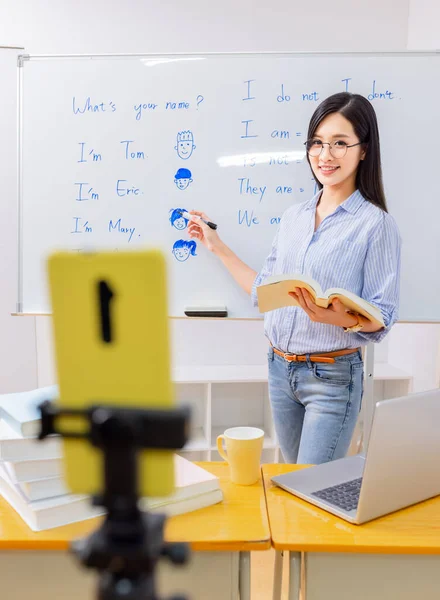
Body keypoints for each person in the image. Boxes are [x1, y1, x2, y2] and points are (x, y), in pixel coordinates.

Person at [187, 92, 401, 465]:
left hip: (332, 378)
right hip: (278, 368)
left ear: (363, 150)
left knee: (311, 492)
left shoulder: (375, 225)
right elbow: (263, 292)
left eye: (339, 143)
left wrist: (335, 317)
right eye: (317, 143)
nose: (324, 155)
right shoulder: (294, 217)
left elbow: (382, 318)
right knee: (290, 481)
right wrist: (216, 245)